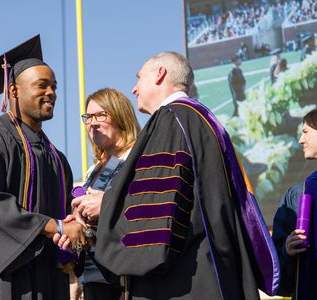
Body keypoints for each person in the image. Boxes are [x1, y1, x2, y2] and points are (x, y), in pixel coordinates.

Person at [85, 51, 280, 299]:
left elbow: (159, 206)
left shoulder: (170, 118)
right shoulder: (205, 119)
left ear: (160, 74)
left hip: (186, 279)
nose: (134, 88)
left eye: (139, 77)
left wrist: (108, 205)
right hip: (216, 266)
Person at [0, 34, 86, 300]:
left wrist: (73, 231)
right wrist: (55, 227)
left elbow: (65, 218)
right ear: (13, 90)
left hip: (49, 279)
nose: (52, 93)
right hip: (2, 279)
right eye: (42, 85)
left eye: (55, 87)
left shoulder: (58, 159)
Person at [72, 88, 141, 300]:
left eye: (101, 115)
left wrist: (107, 206)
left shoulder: (137, 158)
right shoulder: (94, 169)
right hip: (94, 274)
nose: (93, 123)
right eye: (88, 117)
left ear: (120, 115)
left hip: (125, 273)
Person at [272, 108, 317, 299]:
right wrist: (287, 252)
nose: (300, 140)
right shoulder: (298, 195)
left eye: (306, 132)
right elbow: (279, 274)